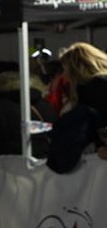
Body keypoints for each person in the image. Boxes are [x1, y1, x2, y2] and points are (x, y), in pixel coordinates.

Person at [45, 42, 107, 174]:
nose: (64, 75)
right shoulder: (98, 84)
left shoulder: (91, 88)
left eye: (65, 69)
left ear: (77, 68)